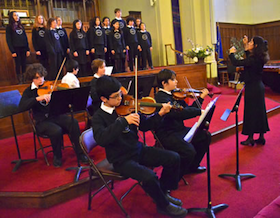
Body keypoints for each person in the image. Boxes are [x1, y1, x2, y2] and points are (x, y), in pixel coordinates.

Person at [91, 75, 188, 217]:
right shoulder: (99, 117)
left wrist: (160, 114)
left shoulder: (127, 107)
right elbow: (102, 139)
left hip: (138, 149)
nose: (120, 98)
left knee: (173, 158)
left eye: (120, 93)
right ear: (104, 99)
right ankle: (163, 206)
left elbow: (145, 125)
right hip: (121, 159)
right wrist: (123, 122)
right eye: (116, 96)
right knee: (149, 177)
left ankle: (162, 192)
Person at [18, 63, 88, 167]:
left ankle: (80, 153)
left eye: (42, 76)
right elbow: (22, 106)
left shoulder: (49, 86)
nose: (41, 80)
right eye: (37, 78)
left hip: (55, 116)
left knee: (73, 122)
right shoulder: (29, 92)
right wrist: (37, 98)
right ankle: (57, 156)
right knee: (56, 130)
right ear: (32, 78)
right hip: (41, 121)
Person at [155, 69, 210, 178]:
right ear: (164, 83)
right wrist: (199, 112)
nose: (176, 82)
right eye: (173, 79)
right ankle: (174, 176)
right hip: (168, 133)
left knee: (205, 136)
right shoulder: (160, 98)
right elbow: (178, 114)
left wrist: (201, 99)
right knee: (189, 151)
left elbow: (188, 109)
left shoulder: (174, 95)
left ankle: (192, 166)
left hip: (179, 129)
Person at [229, 35, 269, 146]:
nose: (249, 42)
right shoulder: (258, 57)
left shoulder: (253, 59)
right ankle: (261, 137)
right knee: (260, 112)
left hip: (253, 88)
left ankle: (250, 138)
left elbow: (237, 62)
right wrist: (246, 46)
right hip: (258, 87)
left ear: (255, 46)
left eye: (251, 42)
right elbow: (248, 60)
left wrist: (231, 53)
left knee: (250, 112)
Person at [6, 11, 30, 84]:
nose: (17, 17)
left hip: (23, 48)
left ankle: (24, 79)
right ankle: (19, 80)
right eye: (15, 15)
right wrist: (12, 51)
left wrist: (27, 49)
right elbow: (8, 40)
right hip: (16, 48)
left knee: (24, 63)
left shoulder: (21, 26)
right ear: (11, 17)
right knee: (18, 64)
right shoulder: (9, 27)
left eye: (17, 15)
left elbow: (25, 38)